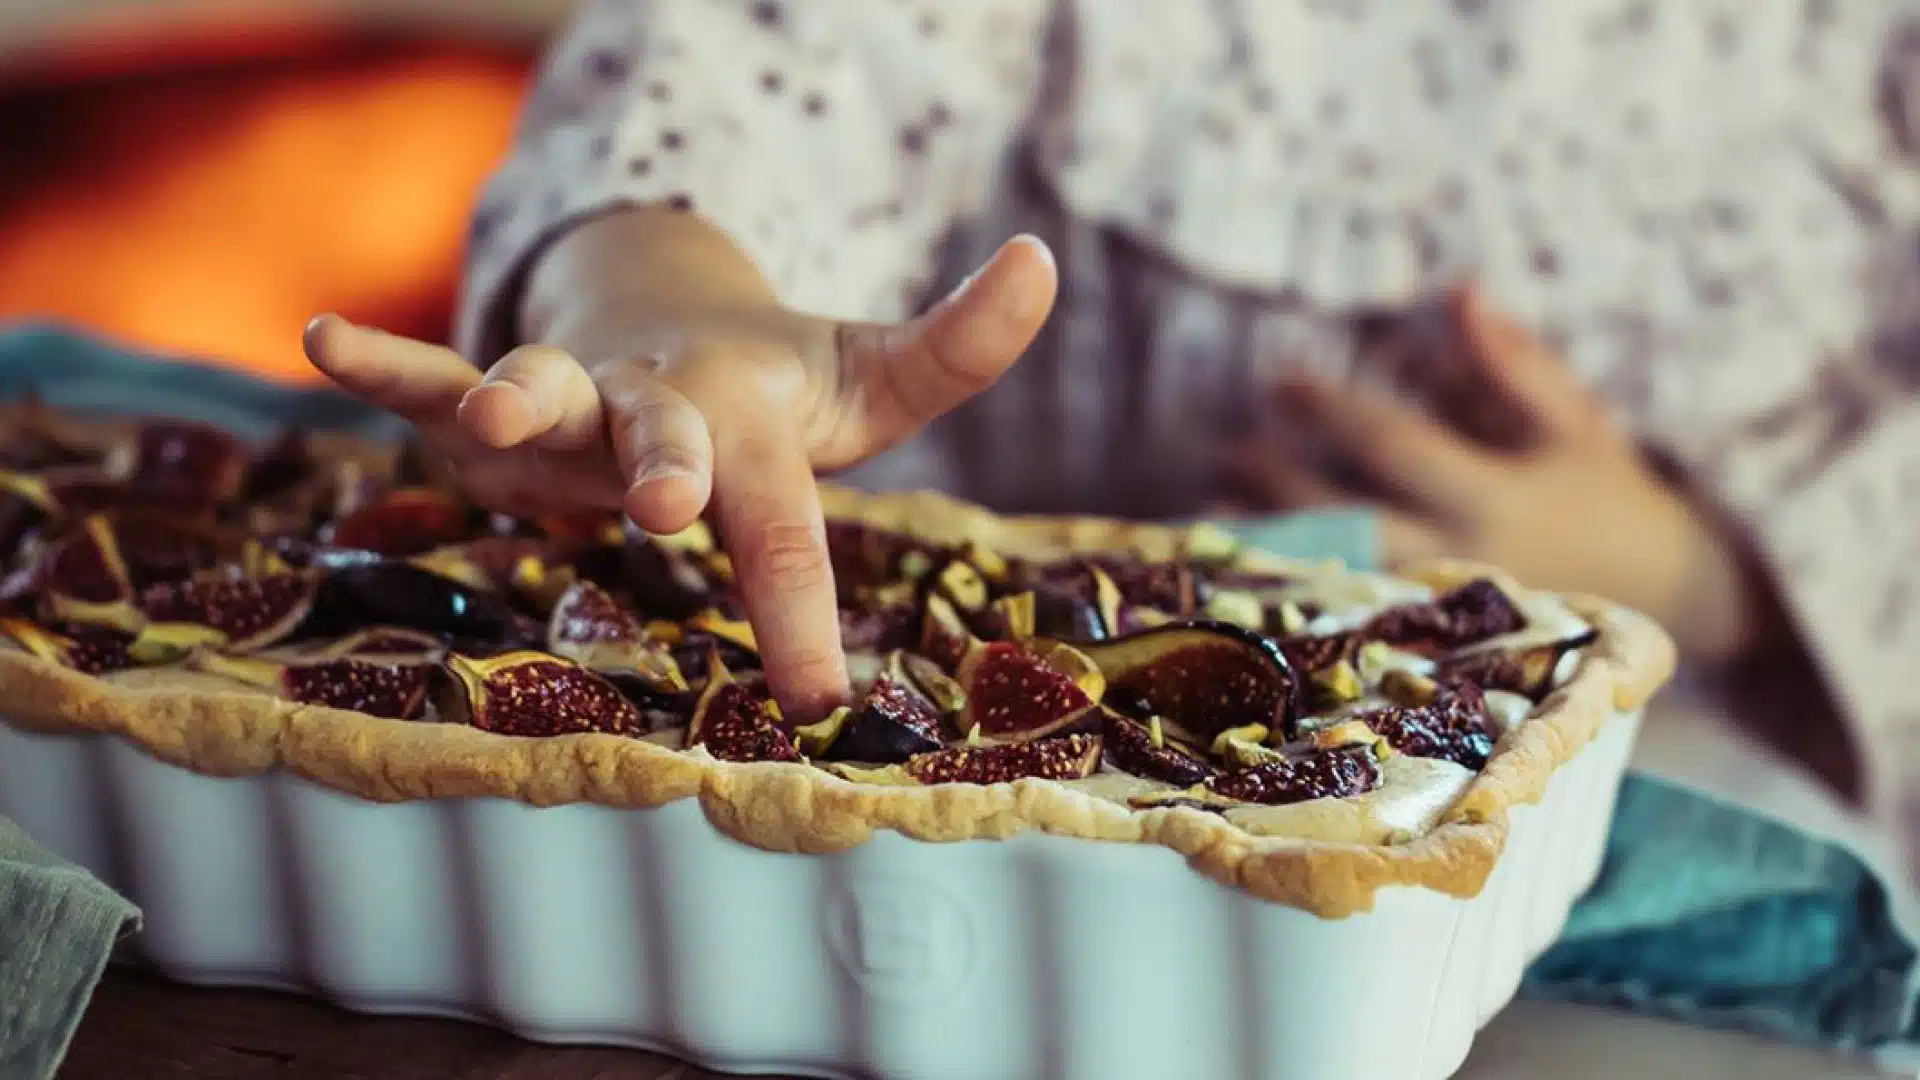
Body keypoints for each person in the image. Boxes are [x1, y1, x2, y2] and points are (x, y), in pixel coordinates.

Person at [302, 1, 1918, 859]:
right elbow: (746, 54)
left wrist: (1709, 572)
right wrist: (666, 286)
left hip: (1697, 783)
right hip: (922, 793)